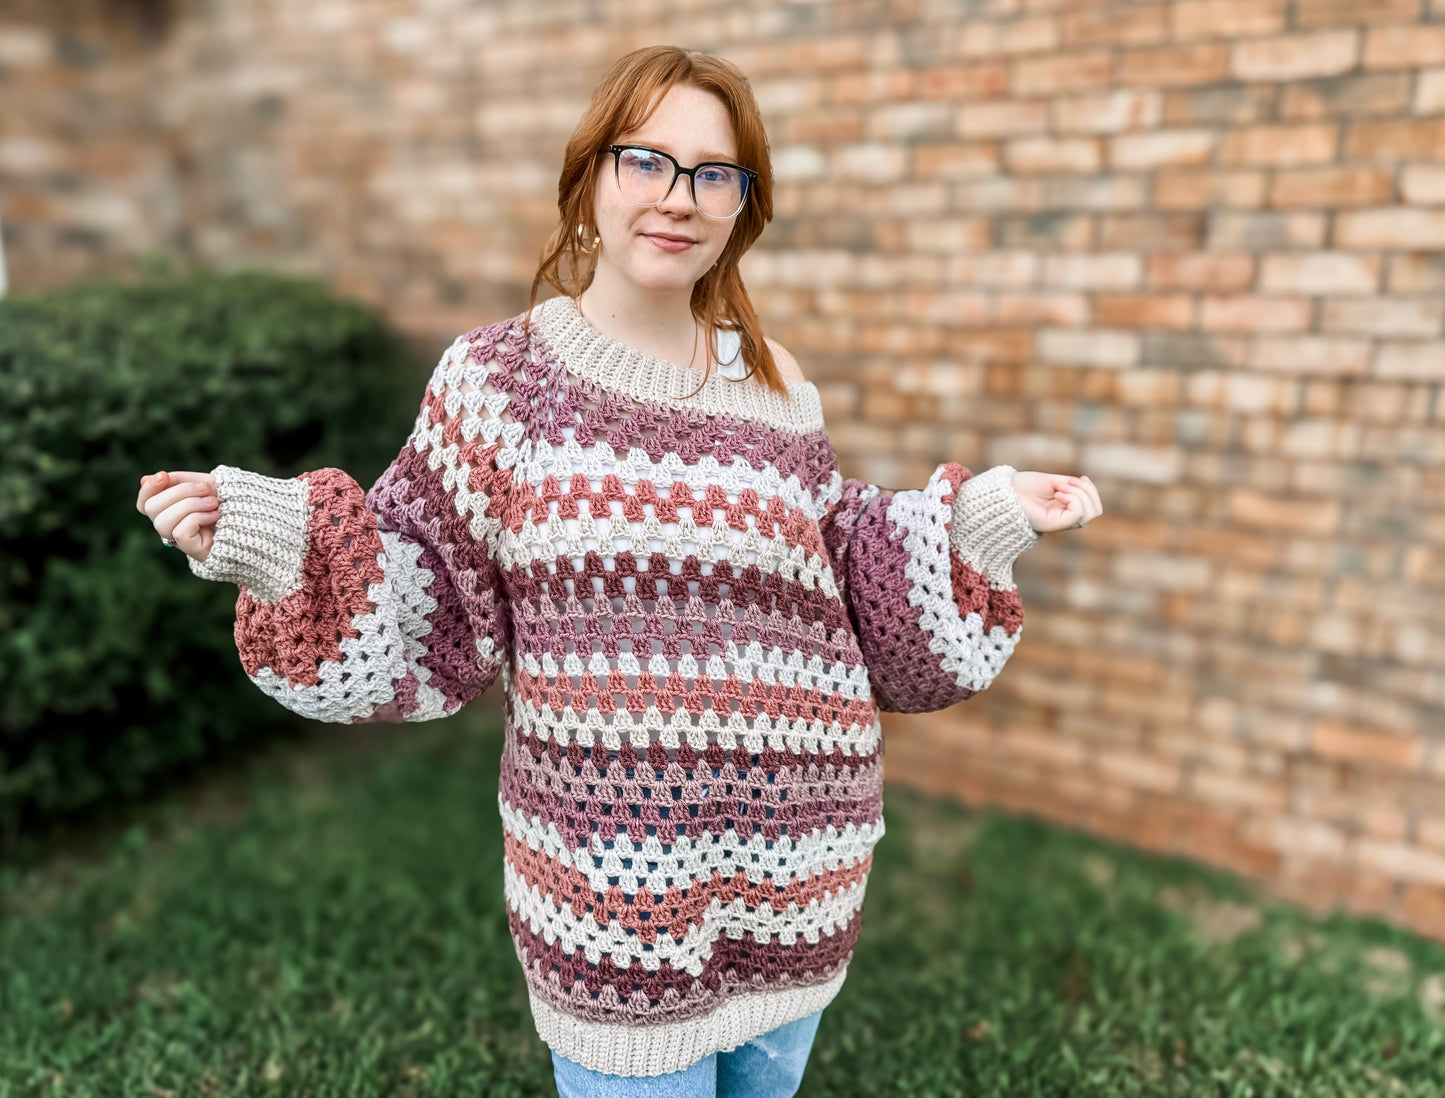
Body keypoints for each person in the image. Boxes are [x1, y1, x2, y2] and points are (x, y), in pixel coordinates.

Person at [137, 44, 1101, 1098]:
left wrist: (983, 517)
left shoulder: (779, 392)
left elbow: (851, 573)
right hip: (613, 910)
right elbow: (420, 594)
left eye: (713, 174)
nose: (676, 198)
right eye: (645, 161)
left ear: (742, 207)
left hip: (799, 879)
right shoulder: (500, 383)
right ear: (590, 177)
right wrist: (276, 537)